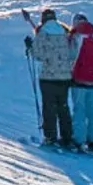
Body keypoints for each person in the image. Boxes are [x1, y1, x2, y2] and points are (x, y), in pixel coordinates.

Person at [28, 8, 76, 148]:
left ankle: (50, 137)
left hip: (48, 76)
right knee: (63, 107)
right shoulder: (65, 31)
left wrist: (30, 47)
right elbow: (73, 54)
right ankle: (67, 136)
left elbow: (38, 55)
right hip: (65, 77)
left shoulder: (43, 32)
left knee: (49, 107)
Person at [69, 13, 93, 153]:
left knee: (79, 109)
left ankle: (78, 139)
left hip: (79, 79)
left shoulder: (75, 36)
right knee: (92, 109)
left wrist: (69, 75)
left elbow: (72, 56)